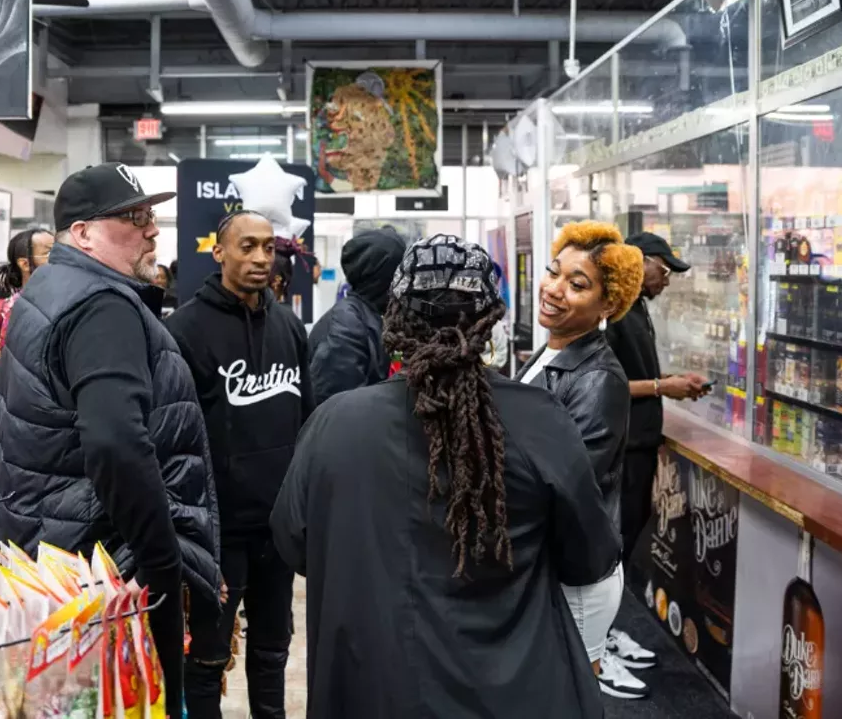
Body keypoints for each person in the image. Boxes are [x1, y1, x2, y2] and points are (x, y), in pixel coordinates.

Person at [271, 234, 618, 718]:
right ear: (488, 321)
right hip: (513, 689)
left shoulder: (335, 424)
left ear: (394, 318)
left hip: (372, 683)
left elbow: (294, 543)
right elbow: (589, 557)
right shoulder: (540, 422)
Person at [0, 163, 220, 719]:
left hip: (59, 563)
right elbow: (115, 444)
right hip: (106, 576)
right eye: (133, 219)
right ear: (83, 233)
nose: (152, 230)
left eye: (151, 216)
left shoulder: (53, 287)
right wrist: (164, 564)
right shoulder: (101, 307)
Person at [166, 210, 314, 719]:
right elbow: (173, 433)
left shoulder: (291, 329)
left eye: (268, 248)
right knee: (208, 657)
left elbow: (308, 419)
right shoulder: (183, 331)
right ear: (219, 253)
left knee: (273, 650)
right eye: (246, 246)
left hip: (276, 527)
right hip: (217, 529)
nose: (259, 258)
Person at [519, 221, 645, 699]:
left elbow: (571, 485)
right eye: (555, 273)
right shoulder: (550, 352)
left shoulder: (599, 379)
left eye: (577, 285)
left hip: (576, 572)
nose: (554, 289)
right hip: (544, 561)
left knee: (567, 698)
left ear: (608, 305)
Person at [604, 231, 708, 673]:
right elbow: (604, 383)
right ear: (639, 262)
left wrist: (669, 381)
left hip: (640, 443)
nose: (666, 281)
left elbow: (633, 373)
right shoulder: (615, 311)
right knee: (612, 547)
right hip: (622, 446)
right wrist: (664, 386)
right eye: (663, 270)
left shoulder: (637, 308)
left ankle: (603, 631)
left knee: (623, 543)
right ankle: (593, 645)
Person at [308, 226, 405, 405]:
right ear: (384, 276)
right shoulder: (345, 327)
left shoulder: (370, 315)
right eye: (400, 273)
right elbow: (337, 406)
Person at [0, 229, 53, 339]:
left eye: (59, 251)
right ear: (25, 264)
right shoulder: (15, 311)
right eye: (48, 253)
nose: (59, 258)